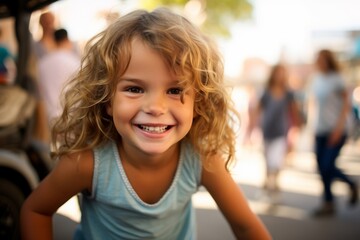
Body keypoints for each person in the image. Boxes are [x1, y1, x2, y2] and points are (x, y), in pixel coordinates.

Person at [20, 8, 271, 240]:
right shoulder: (88, 163)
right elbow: (36, 210)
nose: (155, 107)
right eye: (135, 88)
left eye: (174, 90)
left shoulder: (202, 159)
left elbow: (246, 226)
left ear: (199, 104)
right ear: (106, 99)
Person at [308, 49, 358, 216]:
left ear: (328, 60)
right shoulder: (316, 79)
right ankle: (328, 203)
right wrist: (311, 127)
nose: (319, 62)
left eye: (322, 59)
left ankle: (351, 184)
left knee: (327, 164)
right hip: (319, 129)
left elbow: (346, 105)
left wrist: (338, 129)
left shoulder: (337, 79)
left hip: (336, 130)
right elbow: (314, 105)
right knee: (321, 168)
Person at [249, 64, 302, 202]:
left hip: (281, 132)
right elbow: (257, 109)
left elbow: (294, 112)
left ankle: (273, 187)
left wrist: (296, 130)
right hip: (266, 131)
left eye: (282, 73)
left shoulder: (289, 93)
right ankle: (269, 186)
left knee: (276, 162)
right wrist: (252, 128)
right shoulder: (266, 91)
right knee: (267, 161)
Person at [37, 28, 80, 123]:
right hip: (71, 117)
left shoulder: (42, 63)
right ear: (67, 40)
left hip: (48, 117)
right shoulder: (76, 63)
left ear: (54, 41)